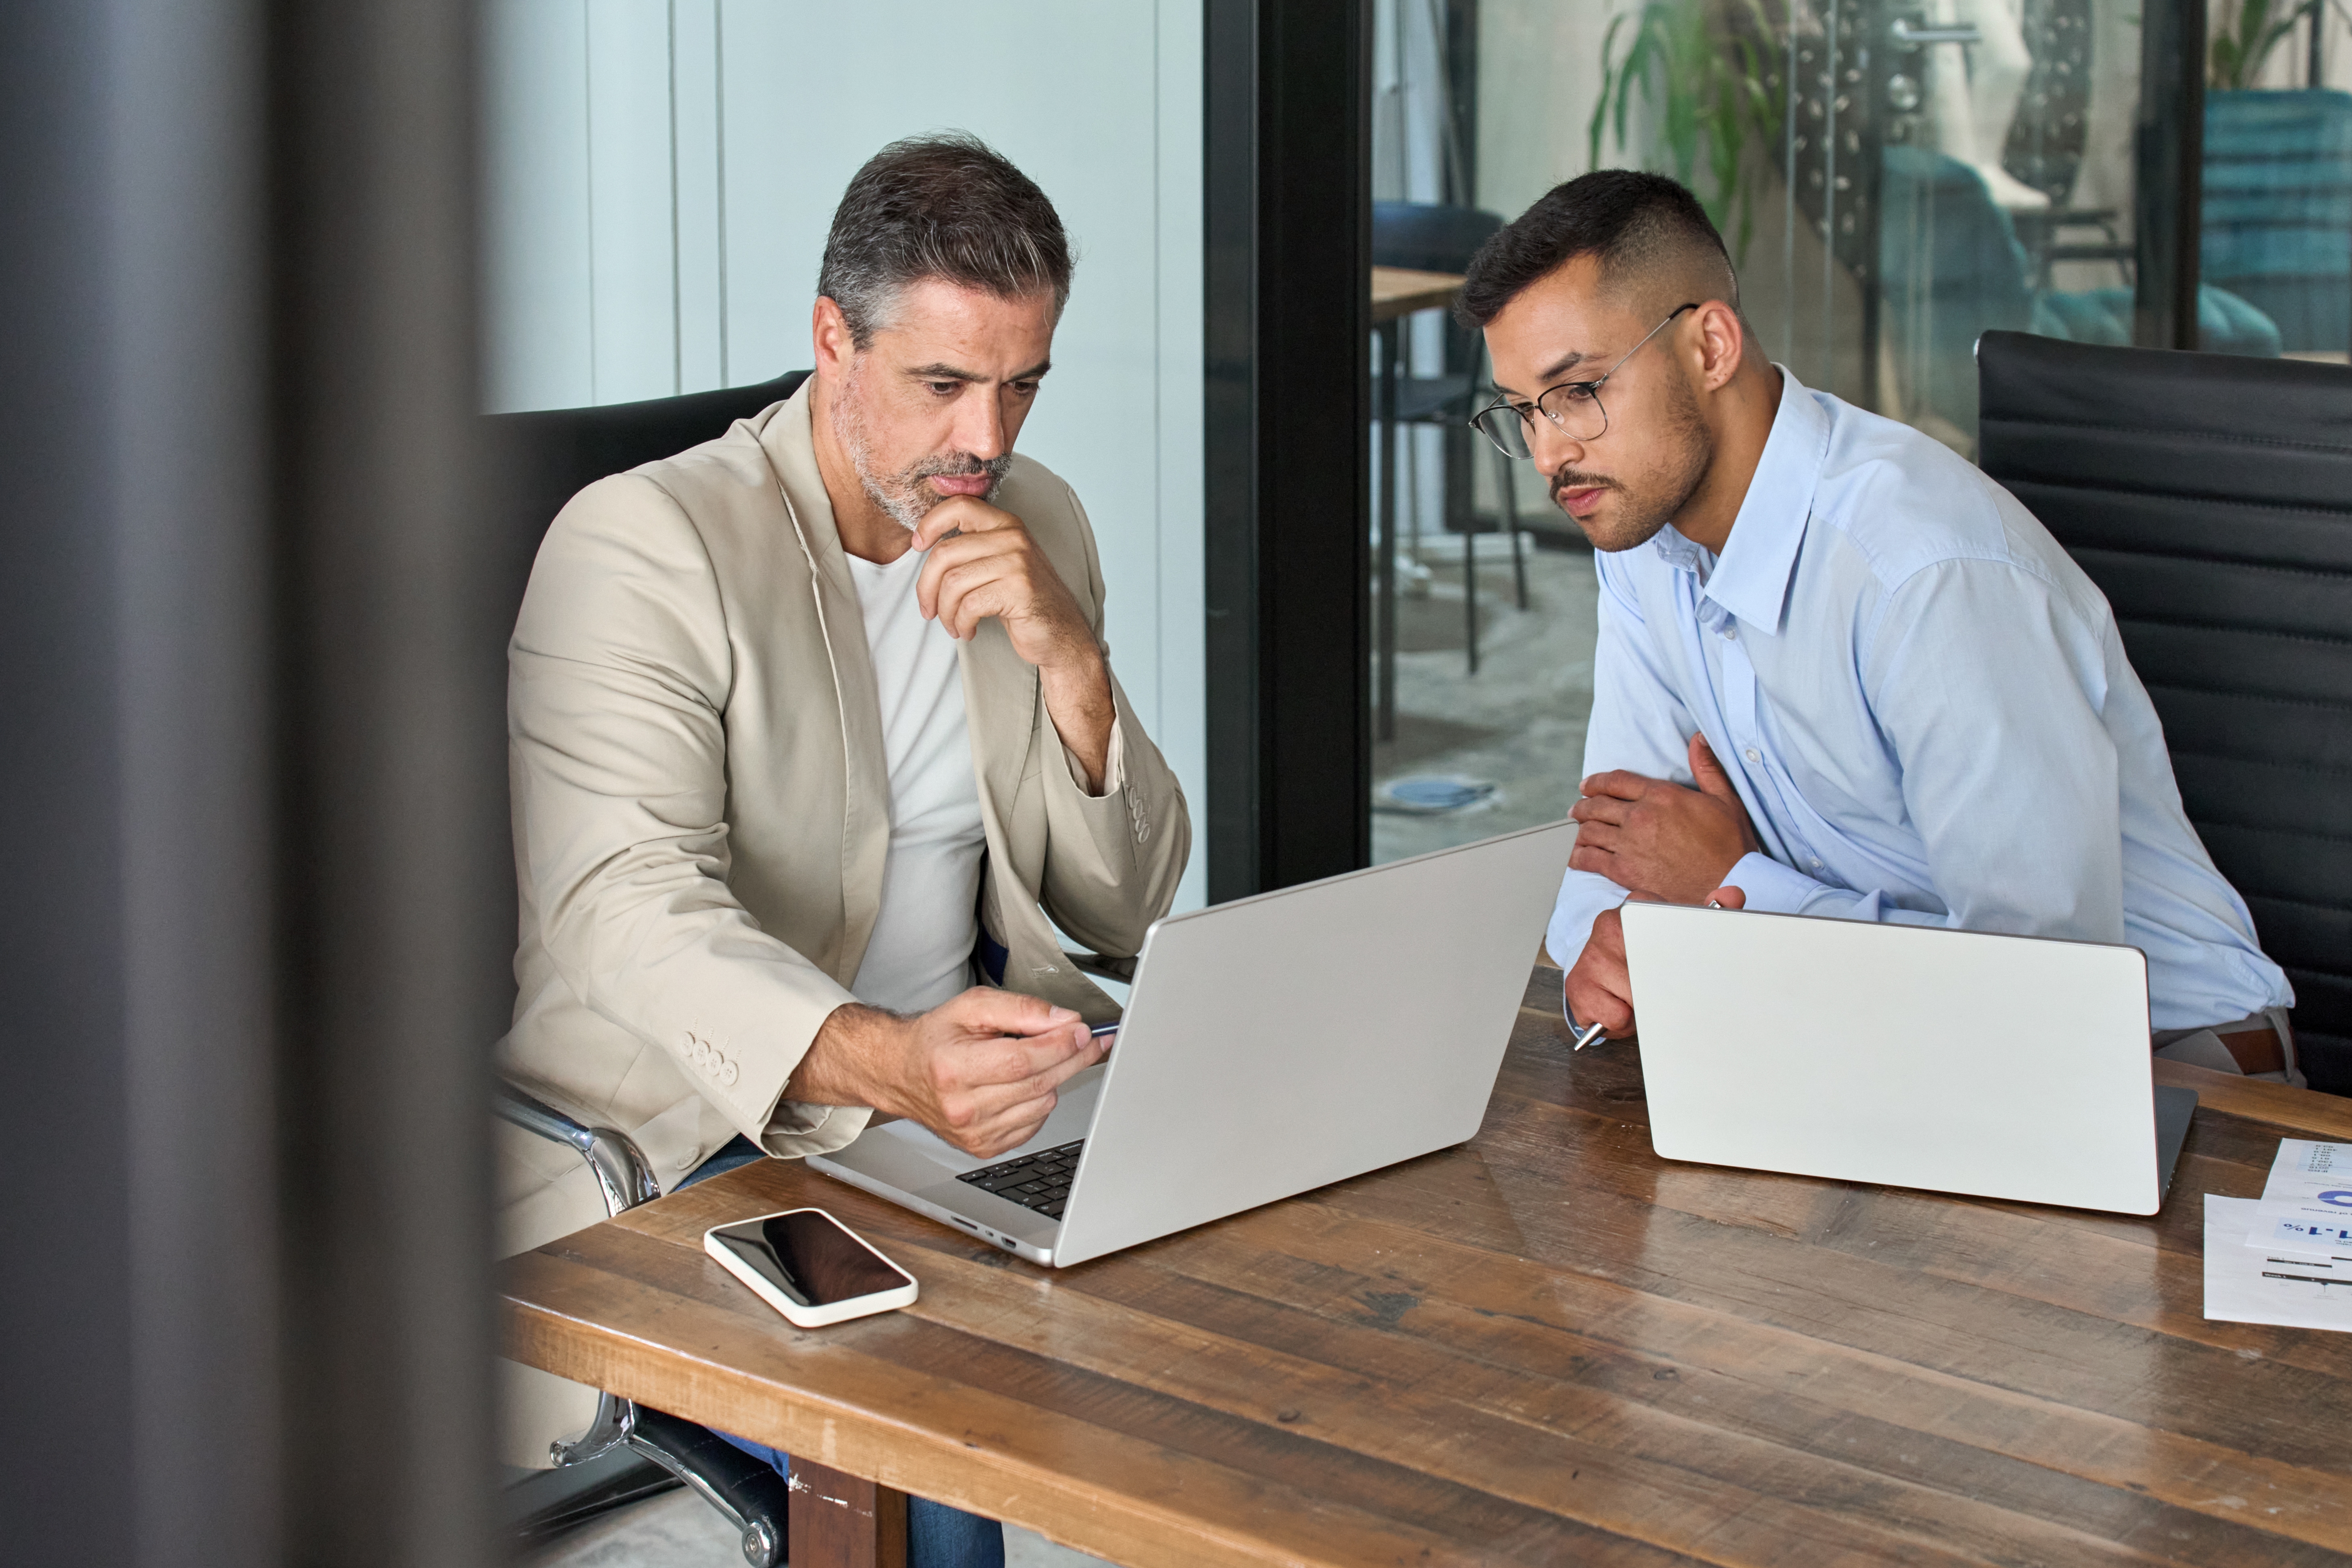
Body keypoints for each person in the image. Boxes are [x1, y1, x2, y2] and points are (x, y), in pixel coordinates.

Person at [493, 133, 1190, 1564]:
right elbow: (624, 910)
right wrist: (889, 1063)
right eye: (943, 383)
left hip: (968, 1114)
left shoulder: (1032, 521)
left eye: (1021, 384)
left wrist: (1068, 658)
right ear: (833, 340)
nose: (986, 441)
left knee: (1272, 1289)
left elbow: (1126, 902)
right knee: (932, 1432)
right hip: (693, 1146)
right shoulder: (642, 546)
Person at [1459, 170, 2299, 1084]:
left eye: (1577, 390)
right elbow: (1612, 853)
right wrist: (1605, 953)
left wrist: (1734, 888)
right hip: (1858, 1032)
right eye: (1522, 411)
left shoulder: (1923, 573)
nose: (1549, 454)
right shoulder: (1638, 539)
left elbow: (2040, 987)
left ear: (1709, 346)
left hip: (2162, 1069)